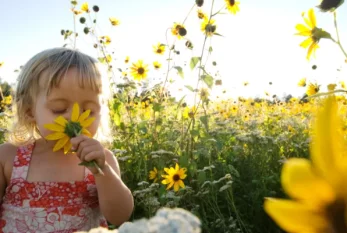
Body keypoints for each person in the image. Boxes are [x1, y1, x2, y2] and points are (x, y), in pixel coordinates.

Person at [0, 48, 134, 232]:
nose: (74, 119)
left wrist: (102, 172)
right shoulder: (9, 157)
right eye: (59, 109)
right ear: (29, 111)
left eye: (89, 111)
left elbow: (120, 217)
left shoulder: (103, 160)